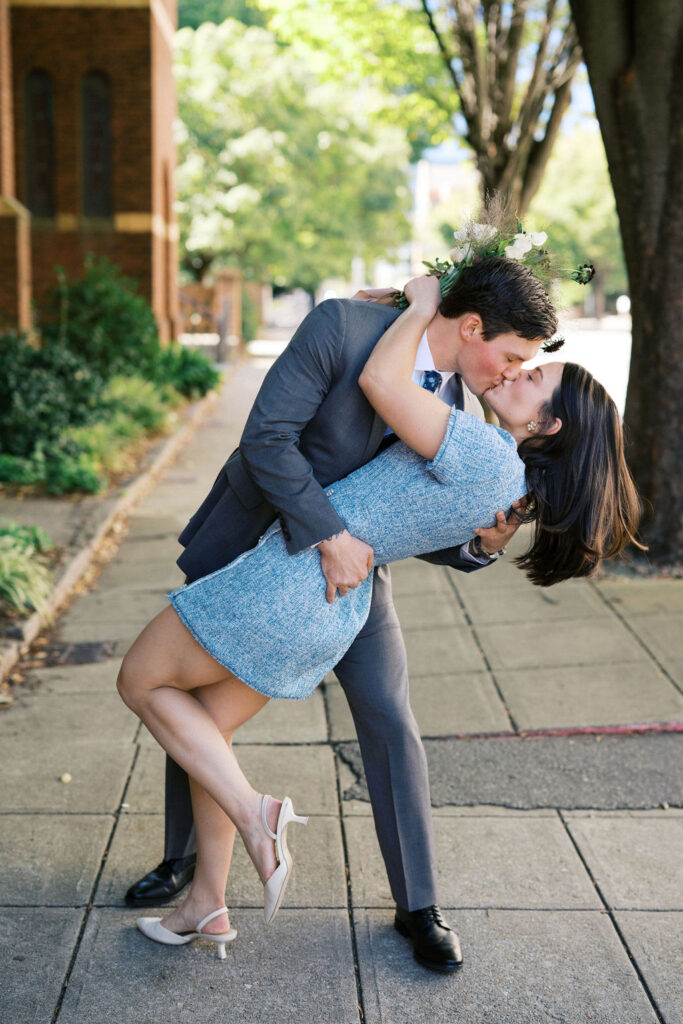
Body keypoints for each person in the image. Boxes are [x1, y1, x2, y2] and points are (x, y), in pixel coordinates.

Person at [117, 272, 641, 969]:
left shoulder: (470, 422)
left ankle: (392, 891)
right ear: (474, 326)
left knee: (160, 688)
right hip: (278, 550)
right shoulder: (350, 329)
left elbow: (390, 415)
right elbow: (267, 438)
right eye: (517, 357)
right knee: (201, 725)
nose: (514, 371)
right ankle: (201, 895)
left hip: (324, 586)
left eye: (528, 370)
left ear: (546, 424)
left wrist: (477, 547)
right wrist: (334, 534)